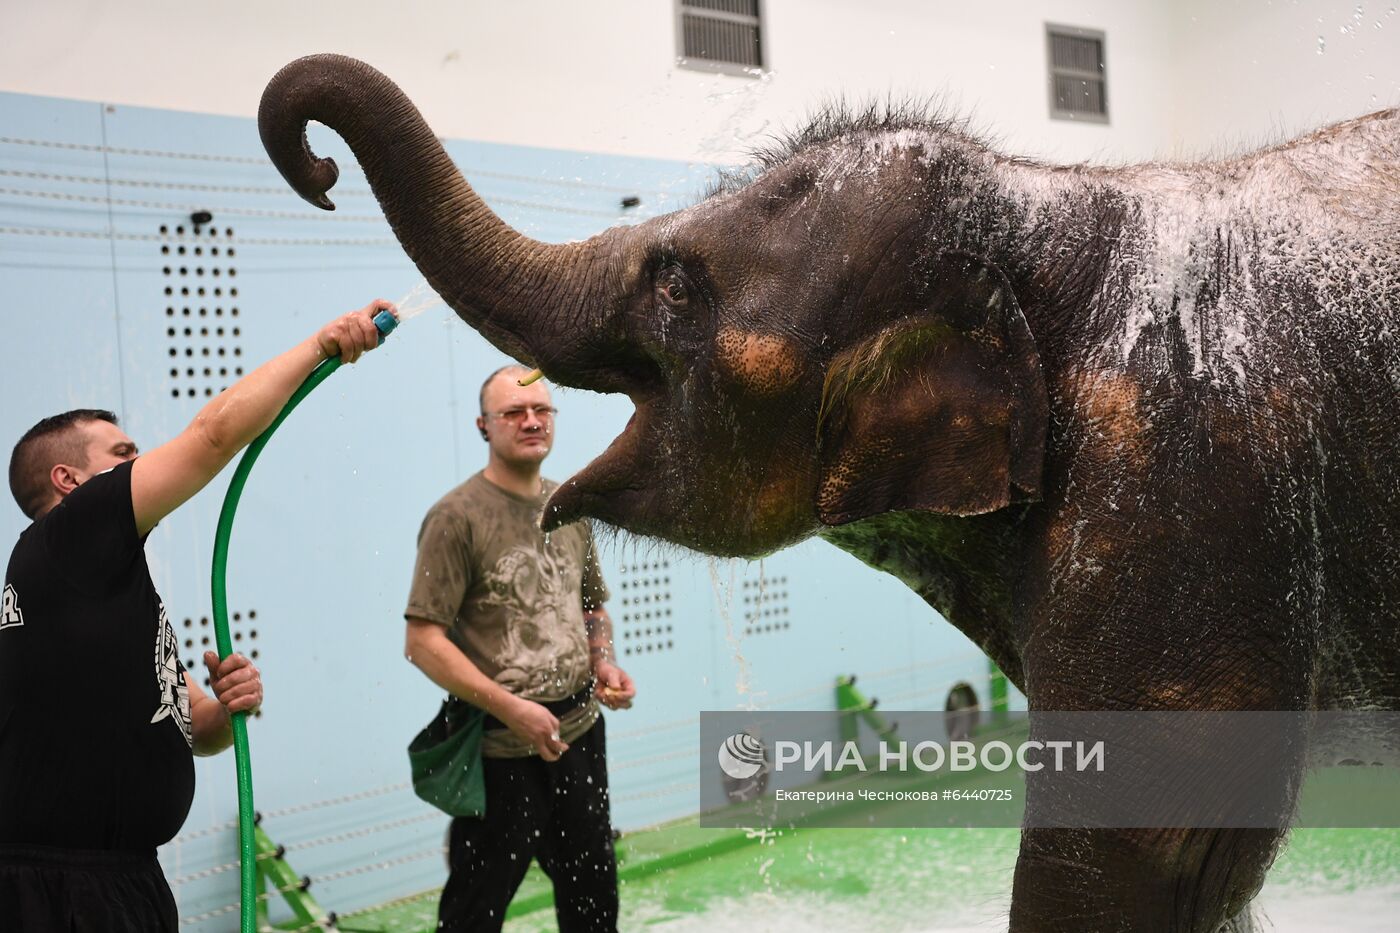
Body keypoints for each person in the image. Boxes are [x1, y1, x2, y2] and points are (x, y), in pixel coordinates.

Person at [0, 300, 395, 932]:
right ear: (70, 481)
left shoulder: (94, 585)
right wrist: (320, 346)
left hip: (121, 881)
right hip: (66, 893)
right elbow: (210, 437)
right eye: (122, 453)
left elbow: (196, 730)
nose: (144, 461)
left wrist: (225, 704)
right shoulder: (69, 534)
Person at [404, 363, 636, 933]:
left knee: (594, 902)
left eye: (541, 411)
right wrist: (510, 708)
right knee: (474, 913)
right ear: (484, 426)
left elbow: (590, 608)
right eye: (514, 412)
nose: (531, 421)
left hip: (579, 737)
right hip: (500, 753)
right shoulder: (456, 518)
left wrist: (602, 659)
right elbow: (422, 641)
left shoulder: (570, 505)